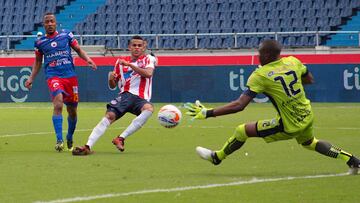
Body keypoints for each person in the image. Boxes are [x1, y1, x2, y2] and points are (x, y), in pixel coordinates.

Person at [185, 39, 360, 175]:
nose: (258, 55)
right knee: (310, 143)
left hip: (288, 124)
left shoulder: (260, 75)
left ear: (267, 55)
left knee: (241, 131)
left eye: (260, 53)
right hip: (306, 114)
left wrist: (207, 113)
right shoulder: (293, 61)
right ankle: (352, 159)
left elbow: (240, 105)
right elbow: (309, 79)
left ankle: (217, 157)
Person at [72, 35, 157, 155]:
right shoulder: (120, 62)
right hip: (126, 96)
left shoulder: (149, 59)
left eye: (140, 45)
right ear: (129, 47)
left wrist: (130, 65)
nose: (137, 48)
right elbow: (113, 85)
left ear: (144, 47)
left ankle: (121, 138)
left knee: (149, 109)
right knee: (109, 116)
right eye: (134, 45)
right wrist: (111, 78)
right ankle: (88, 146)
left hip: (141, 99)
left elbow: (148, 73)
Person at [25, 13, 97, 152]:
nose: (50, 24)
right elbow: (38, 62)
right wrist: (31, 78)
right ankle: (59, 140)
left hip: (70, 77)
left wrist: (88, 59)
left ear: (56, 23)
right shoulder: (40, 43)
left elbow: (78, 50)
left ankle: (69, 136)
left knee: (72, 112)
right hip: (53, 76)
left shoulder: (66, 35)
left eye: (52, 21)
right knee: (58, 103)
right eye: (47, 22)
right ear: (44, 24)